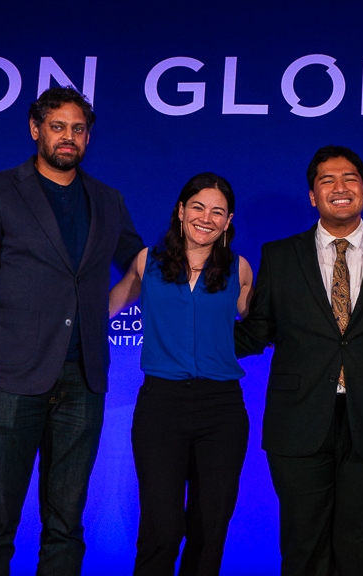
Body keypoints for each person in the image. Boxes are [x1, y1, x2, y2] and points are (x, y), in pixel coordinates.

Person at [0, 86, 144, 575]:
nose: (68, 137)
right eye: (58, 127)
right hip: (12, 381)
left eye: (78, 129)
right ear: (36, 130)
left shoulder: (107, 199)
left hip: (84, 381)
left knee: (66, 525)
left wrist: (213, 257)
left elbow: (145, 265)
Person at [235, 145, 363, 575]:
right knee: (303, 547)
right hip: (297, 421)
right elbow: (257, 330)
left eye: (350, 179)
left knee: (359, 549)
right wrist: (192, 329)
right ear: (312, 196)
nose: (340, 188)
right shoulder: (279, 256)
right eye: (327, 181)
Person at [109, 173, 253, 576]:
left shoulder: (240, 269)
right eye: (198, 207)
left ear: (228, 221)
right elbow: (108, 305)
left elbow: (260, 326)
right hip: (161, 406)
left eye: (217, 212)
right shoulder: (146, 261)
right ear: (180, 210)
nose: (206, 218)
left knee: (209, 528)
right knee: (162, 527)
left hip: (221, 409)